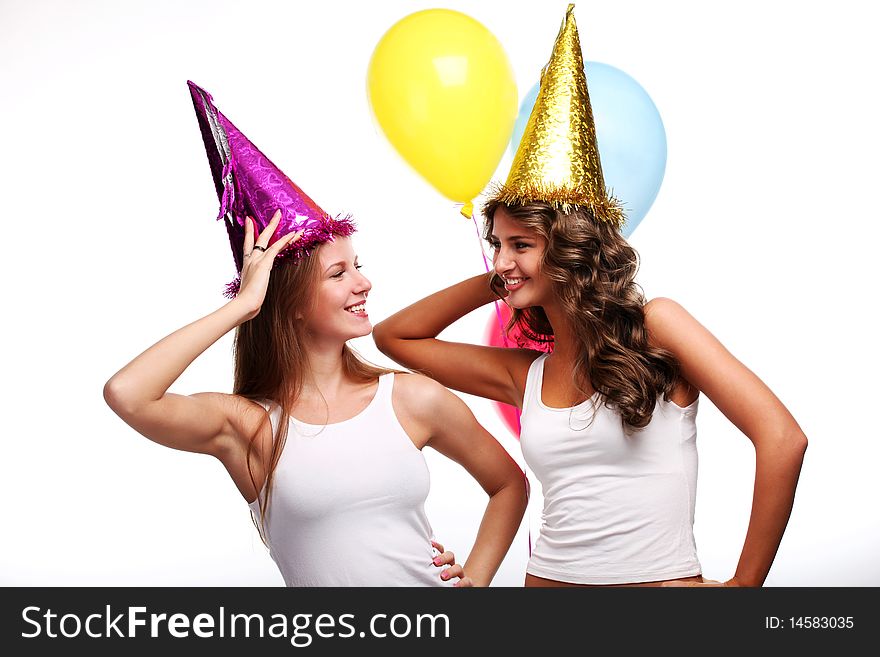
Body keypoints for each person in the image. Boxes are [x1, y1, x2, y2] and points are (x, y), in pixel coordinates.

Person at [373, 5, 807, 587]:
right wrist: (499, 277)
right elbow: (395, 338)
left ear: (571, 246)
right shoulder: (524, 375)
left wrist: (745, 588)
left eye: (520, 244)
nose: (501, 260)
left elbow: (782, 438)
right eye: (496, 244)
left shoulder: (659, 325)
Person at [102, 82, 527, 587]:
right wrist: (242, 307)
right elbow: (127, 394)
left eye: (358, 266)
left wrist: (476, 581)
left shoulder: (410, 397)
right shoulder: (250, 426)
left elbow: (509, 485)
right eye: (338, 273)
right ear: (292, 304)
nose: (363, 283)